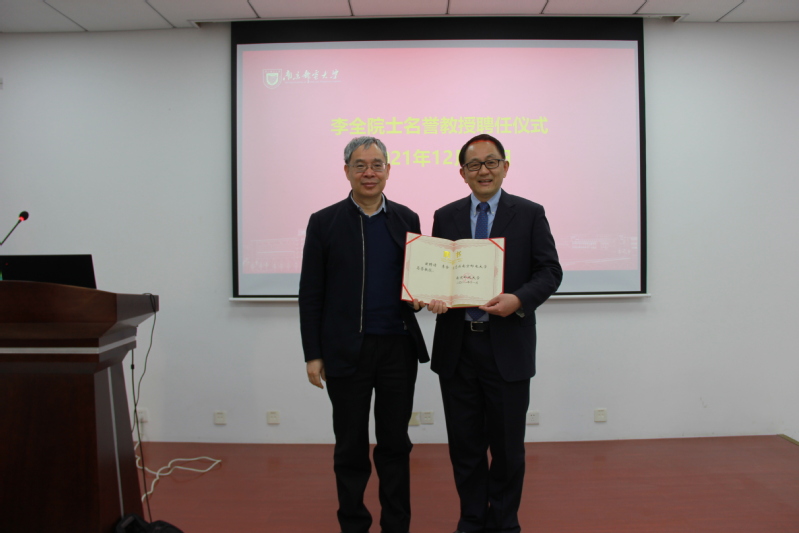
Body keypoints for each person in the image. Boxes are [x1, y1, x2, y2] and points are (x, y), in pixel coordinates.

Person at [427, 134, 562, 533]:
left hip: (507, 345)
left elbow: (549, 272)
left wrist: (518, 300)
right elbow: (436, 273)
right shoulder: (445, 216)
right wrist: (433, 295)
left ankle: (504, 521)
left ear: (505, 166)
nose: (483, 171)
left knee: (506, 446)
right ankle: (472, 518)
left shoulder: (530, 213)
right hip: (457, 347)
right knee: (465, 445)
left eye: (491, 162)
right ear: (463, 173)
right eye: (474, 165)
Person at [299, 136, 429, 533]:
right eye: (360, 165)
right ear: (347, 171)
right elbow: (311, 292)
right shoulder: (324, 222)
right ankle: (354, 525)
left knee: (395, 444)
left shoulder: (407, 218)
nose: (369, 172)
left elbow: (417, 281)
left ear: (388, 170)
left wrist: (423, 299)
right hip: (345, 350)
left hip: (397, 349)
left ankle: (397, 526)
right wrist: (313, 353)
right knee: (350, 446)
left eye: (377, 165)